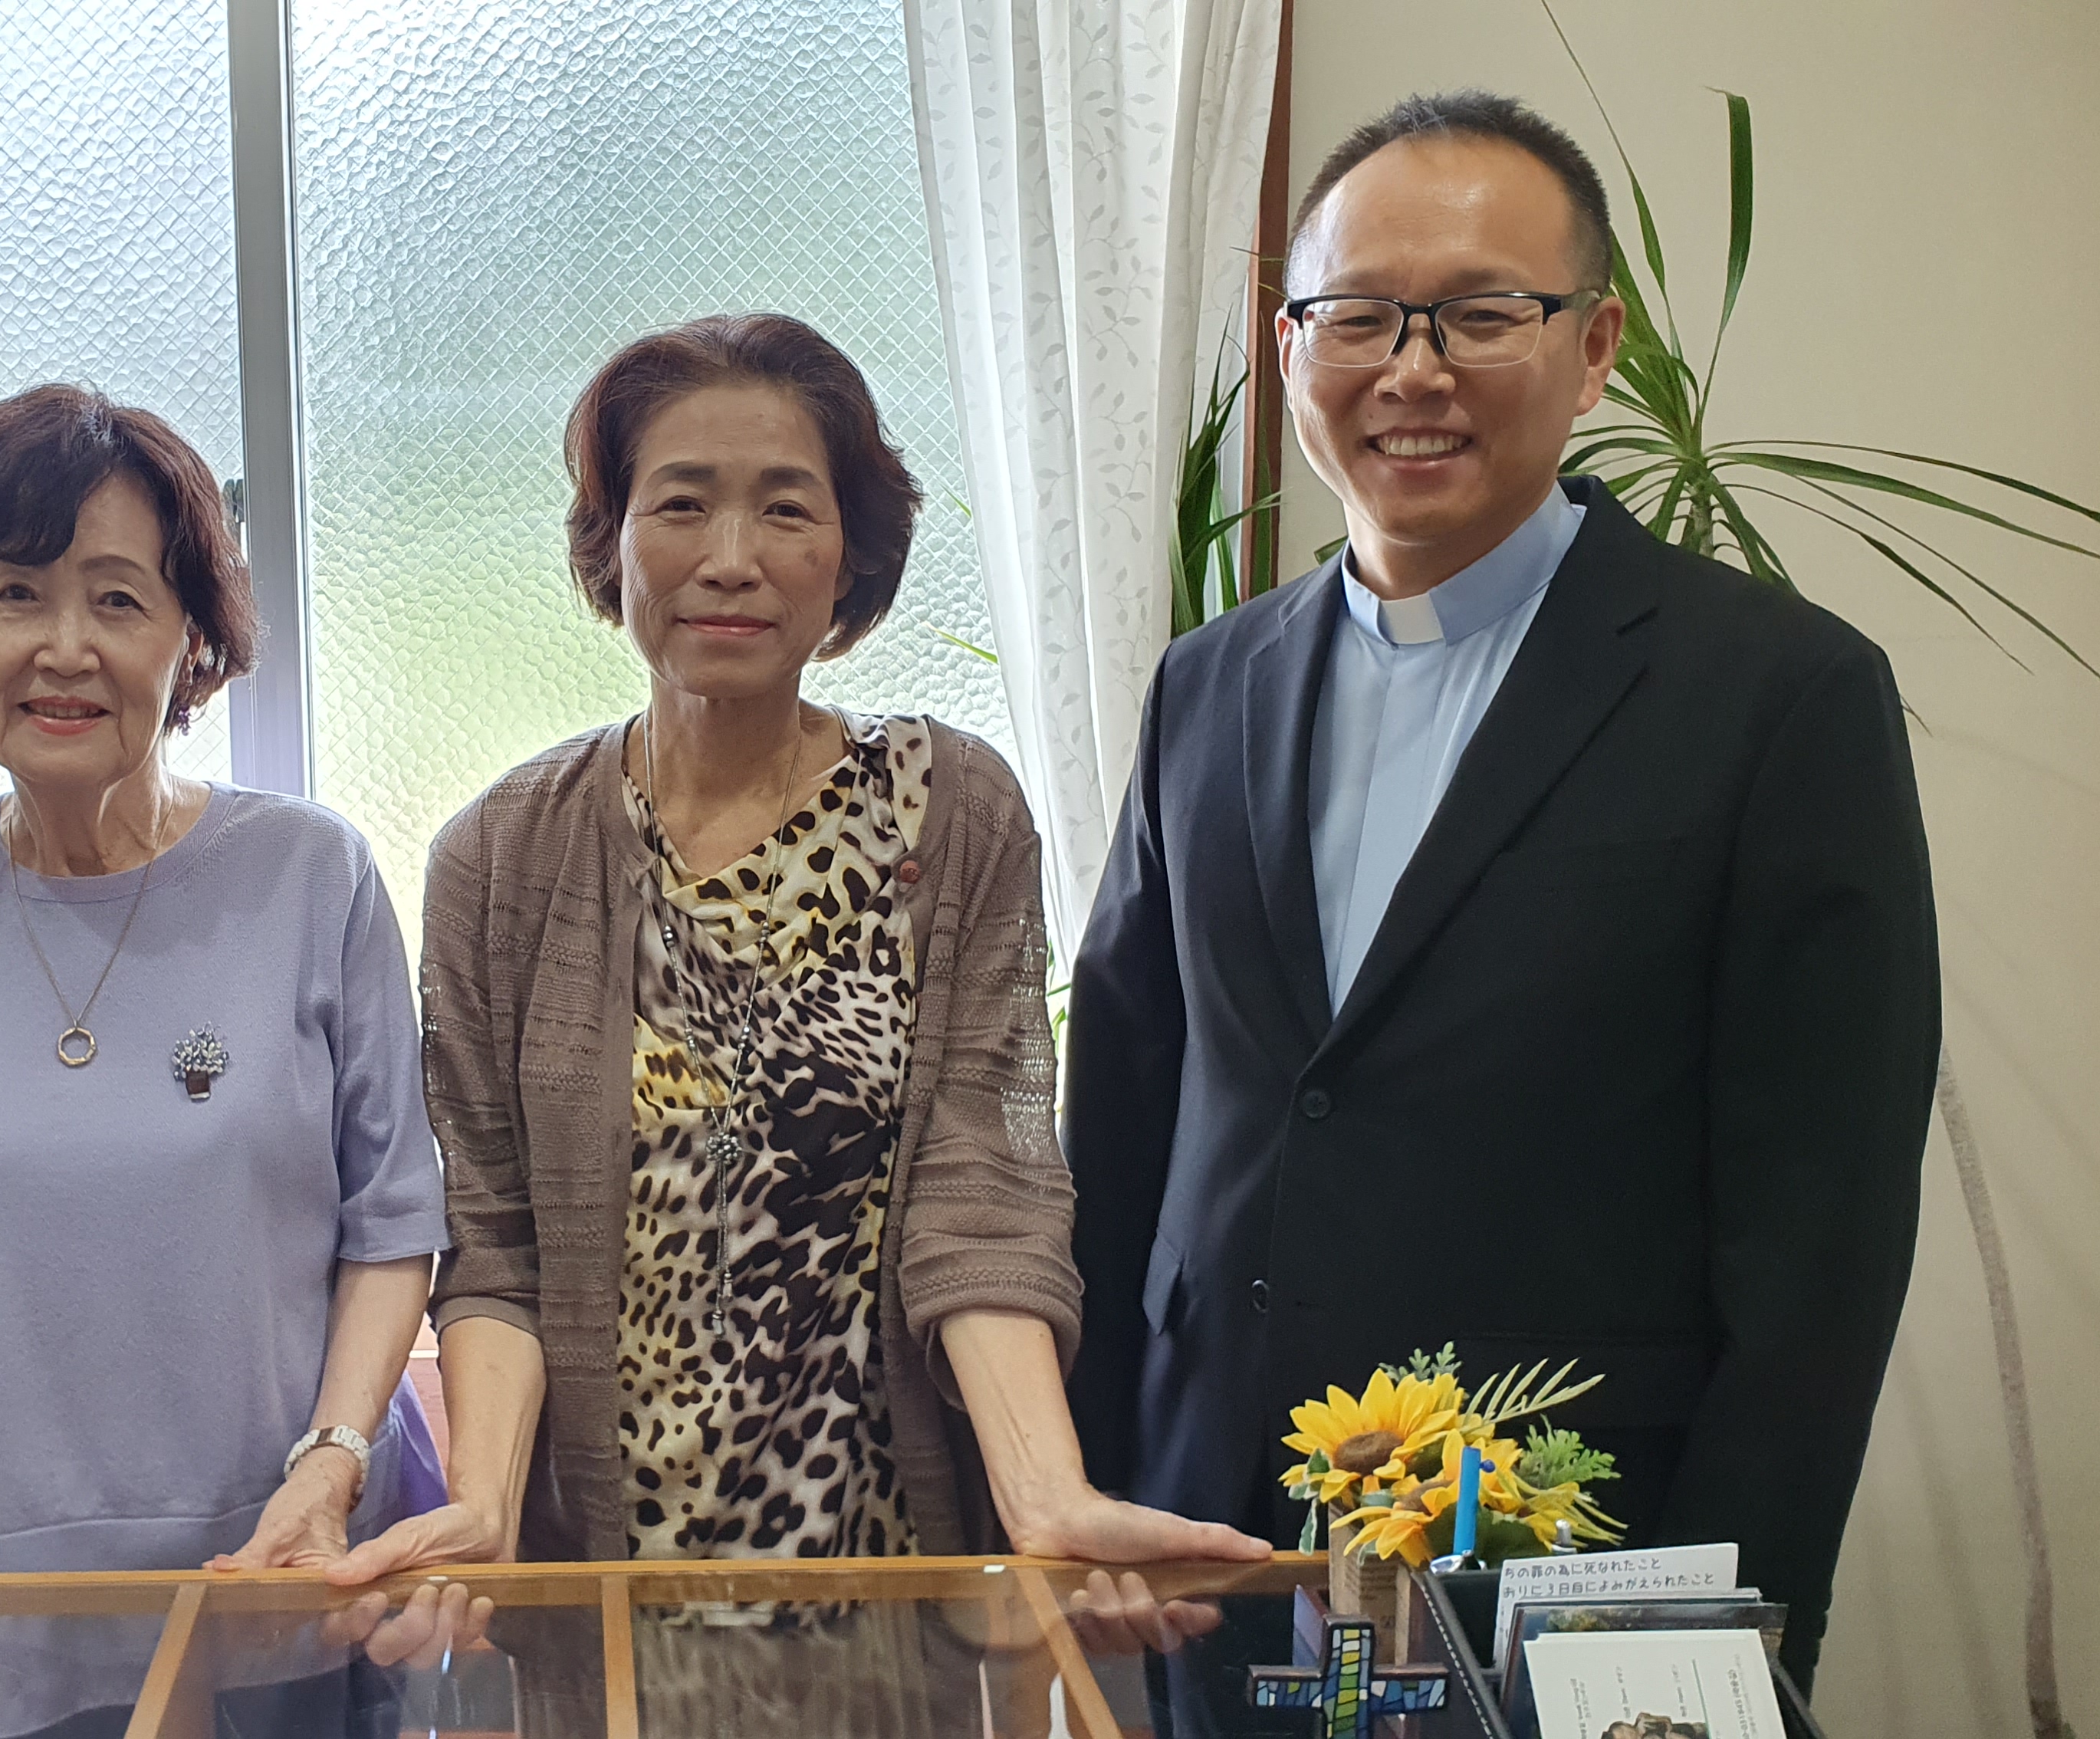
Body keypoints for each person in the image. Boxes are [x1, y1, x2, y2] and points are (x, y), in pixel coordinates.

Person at [1062, 91, 1937, 1689]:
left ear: (1593, 348)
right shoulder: (1208, 684)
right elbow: (1122, 1112)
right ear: (1290, 346)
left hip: (1569, 1562)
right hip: (1209, 1541)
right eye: (1359, 317)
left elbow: (1824, 1241)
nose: (1412, 370)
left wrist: (1714, 1646)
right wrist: (1092, 1488)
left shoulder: (1777, 695)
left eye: (1479, 315)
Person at [327, 314, 1264, 1724]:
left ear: (851, 553)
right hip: (611, 1583)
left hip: (883, 1578)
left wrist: (1044, 1492)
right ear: (612, 543)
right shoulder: (502, 855)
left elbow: (985, 1184)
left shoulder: (949, 814)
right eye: (680, 503)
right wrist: (485, 1506)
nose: (731, 557)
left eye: (785, 507)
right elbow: (496, 1237)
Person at [0, 384, 450, 1739]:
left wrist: (335, 1462)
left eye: (118, 600)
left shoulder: (310, 875)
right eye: (16, 595)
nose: (65, 648)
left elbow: (393, 1221)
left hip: (278, 1557)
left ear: (192, 639)